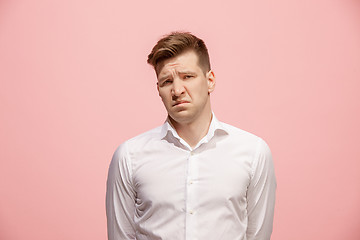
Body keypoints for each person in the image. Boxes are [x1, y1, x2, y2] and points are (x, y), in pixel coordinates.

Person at [106, 32, 276, 240]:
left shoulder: (253, 152)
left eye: (188, 77)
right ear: (158, 89)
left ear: (210, 80)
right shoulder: (129, 157)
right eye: (167, 81)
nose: (177, 90)